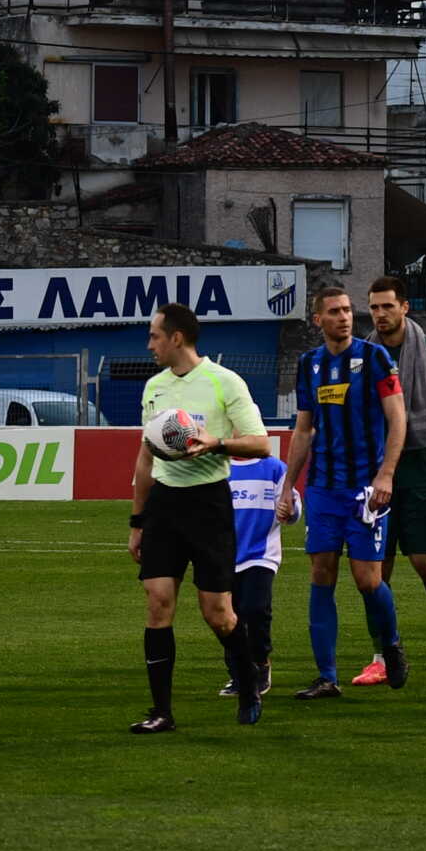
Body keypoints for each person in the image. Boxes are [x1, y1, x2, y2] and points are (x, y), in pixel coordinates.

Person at [128, 302, 273, 732]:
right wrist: (137, 522)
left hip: (208, 504)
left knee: (218, 613)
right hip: (164, 506)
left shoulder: (224, 382)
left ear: (176, 338)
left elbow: (262, 444)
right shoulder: (154, 387)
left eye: (155, 335)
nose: (149, 343)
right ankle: (161, 712)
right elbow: (144, 458)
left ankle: (248, 680)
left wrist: (216, 444)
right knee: (158, 603)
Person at [273, 283, 409, 699]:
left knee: (368, 580)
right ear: (319, 320)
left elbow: (398, 420)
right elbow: (303, 429)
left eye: (348, 310)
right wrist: (287, 487)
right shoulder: (309, 364)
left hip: (366, 488)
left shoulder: (375, 358)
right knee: (321, 574)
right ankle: (327, 676)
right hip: (323, 488)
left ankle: (391, 644)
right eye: (334, 311)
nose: (345, 317)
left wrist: (386, 475)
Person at [352, 278, 426, 682]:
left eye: (386, 306)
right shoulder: (362, 355)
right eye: (374, 307)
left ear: (404, 307)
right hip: (374, 468)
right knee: (375, 570)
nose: (379, 315)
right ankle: (381, 657)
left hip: (418, 468)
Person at [219, 448, 285, 701]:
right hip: (224, 558)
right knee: (227, 617)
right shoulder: (218, 468)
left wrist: (289, 511)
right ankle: (238, 674)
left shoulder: (274, 468)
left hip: (261, 554)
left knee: (256, 610)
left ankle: (260, 664)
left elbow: (292, 507)